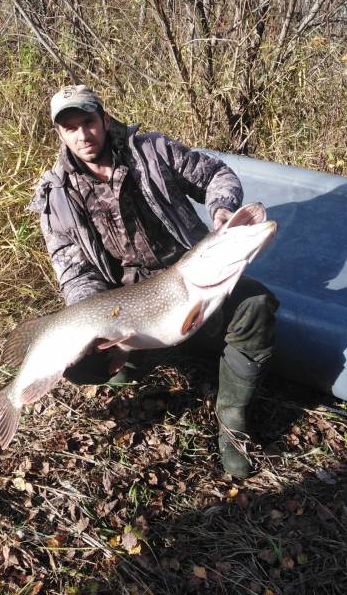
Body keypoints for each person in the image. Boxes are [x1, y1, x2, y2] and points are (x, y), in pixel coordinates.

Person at [29, 84, 278, 477]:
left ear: (104, 119)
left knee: (255, 306)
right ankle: (139, 360)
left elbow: (217, 175)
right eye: (70, 127)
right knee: (82, 364)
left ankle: (233, 426)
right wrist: (104, 328)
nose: (82, 135)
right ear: (60, 134)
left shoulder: (151, 150)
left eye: (88, 122)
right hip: (128, 303)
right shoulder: (54, 197)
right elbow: (74, 271)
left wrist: (221, 211)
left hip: (186, 274)